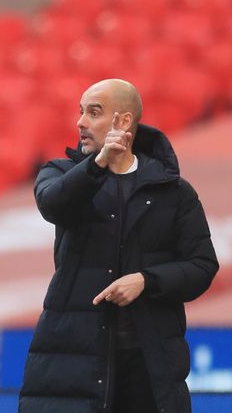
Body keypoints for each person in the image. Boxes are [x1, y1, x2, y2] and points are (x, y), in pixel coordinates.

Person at [19, 79, 219, 413]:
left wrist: (147, 280)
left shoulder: (174, 192)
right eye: (80, 112)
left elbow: (202, 266)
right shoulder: (61, 173)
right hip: (74, 360)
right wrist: (97, 165)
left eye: (93, 112)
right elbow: (53, 205)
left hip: (148, 365)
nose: (80, 122)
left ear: (124, 122)